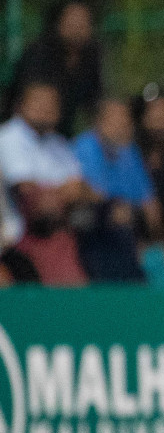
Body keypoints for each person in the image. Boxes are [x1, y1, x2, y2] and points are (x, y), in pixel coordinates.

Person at [0, 79, 91, 285]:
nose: (45, 108)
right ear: (20, 105)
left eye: (51, 103)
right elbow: (27, 192)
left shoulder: (59, 144)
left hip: (62, 234)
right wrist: (65, 191)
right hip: (19, 241)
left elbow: (85, 188)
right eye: (39, 101)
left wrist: (68, 192)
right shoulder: (7, 137)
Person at [74, 96, 154, 282]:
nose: (122, 123)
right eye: (115, 118)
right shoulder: (85, 146)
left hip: (127, 228)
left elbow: (149, 204)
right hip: (93, 228)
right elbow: (92, 193)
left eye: (125, 118)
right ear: (99, 121)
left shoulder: (129, 152)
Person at [4, 0, 104, 136]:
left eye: (83, 22)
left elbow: (94, 101)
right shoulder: (39, 53)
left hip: (59, 136)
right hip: (30, 132)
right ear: (59, 22)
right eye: (72, 21)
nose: (78, 27)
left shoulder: (91, 57)